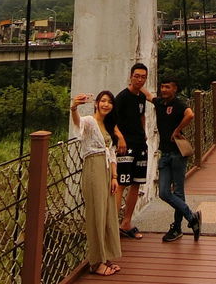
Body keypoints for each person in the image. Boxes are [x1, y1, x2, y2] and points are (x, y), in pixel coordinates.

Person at [71, 91, 123, 276]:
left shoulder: (108, 125)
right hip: (93, 169)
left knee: (108, 213)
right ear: (96, 103)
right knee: (96, 214)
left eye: (109, 102)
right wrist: (74, 107)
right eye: (103, 101)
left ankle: (105, 256)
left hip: (107, 172)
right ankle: (95, 262)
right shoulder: (90, 121)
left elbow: (111, 153)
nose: (106, 105)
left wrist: (115, 177)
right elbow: (78, 123)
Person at [152, 75, 202, 242]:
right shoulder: (159, 103)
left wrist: (177, 130)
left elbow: (190, 114)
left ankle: (177, 228)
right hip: (165, 154)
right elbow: (146, 95)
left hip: (177, 154)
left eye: (168, 87)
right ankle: (192, 217)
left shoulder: (179, 103)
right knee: (164, 192)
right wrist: (136, 83)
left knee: (178, 192)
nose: (164, 90)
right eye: (162, 87)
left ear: (175, 89)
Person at [112, 63, 149, 240]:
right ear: (130, 76)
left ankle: (126, 223)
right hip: (126, 147)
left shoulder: (141, 96)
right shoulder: (122, 97)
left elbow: (142, 116)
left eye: (143, 77)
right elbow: (111, 121)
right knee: (121, 183)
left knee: (136, 183)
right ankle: (112, 226)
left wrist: (145, 133)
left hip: (141, 144)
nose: (140, 79)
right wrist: (120, 138)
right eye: (137, 76)